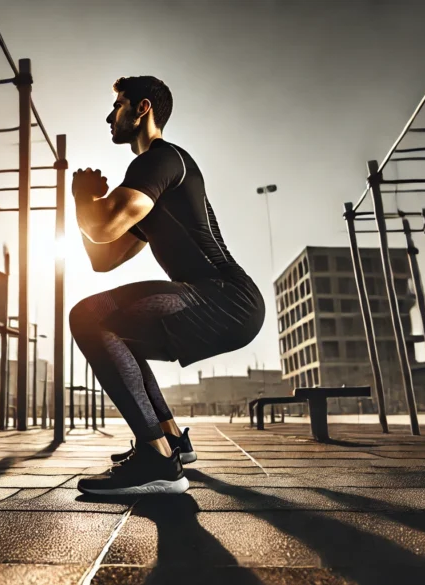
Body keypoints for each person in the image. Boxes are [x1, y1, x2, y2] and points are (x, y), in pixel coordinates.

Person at [70, 76, 265, 496]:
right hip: (223, 301)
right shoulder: (152, 186)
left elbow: (101, 224)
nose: (110, 115)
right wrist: (84, 206)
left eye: (118, 105)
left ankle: (158, 462)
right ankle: (171, 440)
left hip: (223, 296)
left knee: (87, 316)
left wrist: (83, 196)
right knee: (116, 330)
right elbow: (103, 258)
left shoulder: (160, 160)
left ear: (142, 109)